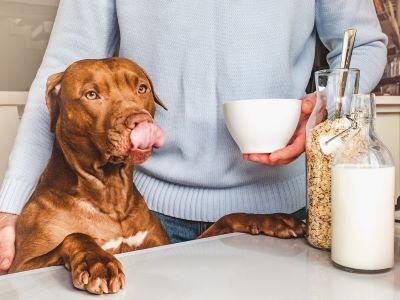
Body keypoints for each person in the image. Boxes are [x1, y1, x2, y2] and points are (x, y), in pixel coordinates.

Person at [0, 0, 387, 271]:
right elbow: (62, 71)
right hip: (144, 215)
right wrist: (12, 206)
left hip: (282, 216)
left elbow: (364, 44)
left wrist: (322, 108)